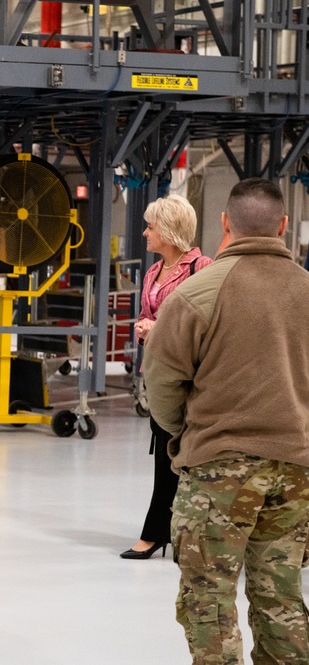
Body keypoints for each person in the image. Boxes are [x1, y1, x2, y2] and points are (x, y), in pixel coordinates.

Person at [144, 178, 309, 663]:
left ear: (224, 224)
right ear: (282, 225)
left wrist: (182, 431)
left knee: (208, 595)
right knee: (281, 595)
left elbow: (163, 380)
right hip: (297, 470)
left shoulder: (197, 293)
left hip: (219, 468)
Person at [121, 194, 211, 560]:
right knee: (164, 452)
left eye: (151, 226)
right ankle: (167, 531)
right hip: (158, 372)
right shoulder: (154, 272)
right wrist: (144, 326)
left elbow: (203, 323)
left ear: (170, 231)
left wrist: (156, 328)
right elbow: (148, 314)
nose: (144, 232)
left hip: (191, 376)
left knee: (186, 456)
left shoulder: (201, 269)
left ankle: (160, 532)